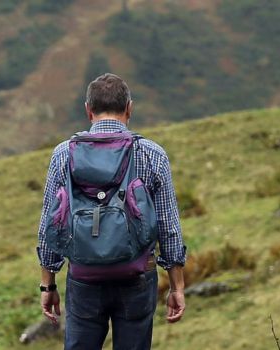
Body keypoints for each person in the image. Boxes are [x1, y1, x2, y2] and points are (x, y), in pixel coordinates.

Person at [36, 73, 187, 349]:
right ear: (129, 108)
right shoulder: (152, 154)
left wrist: (48, 285)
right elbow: (168, 226)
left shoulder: (63, 154)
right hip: (137, 276)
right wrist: (177, 286)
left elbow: (51, 223)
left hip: (84, 277)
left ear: (88, 110)